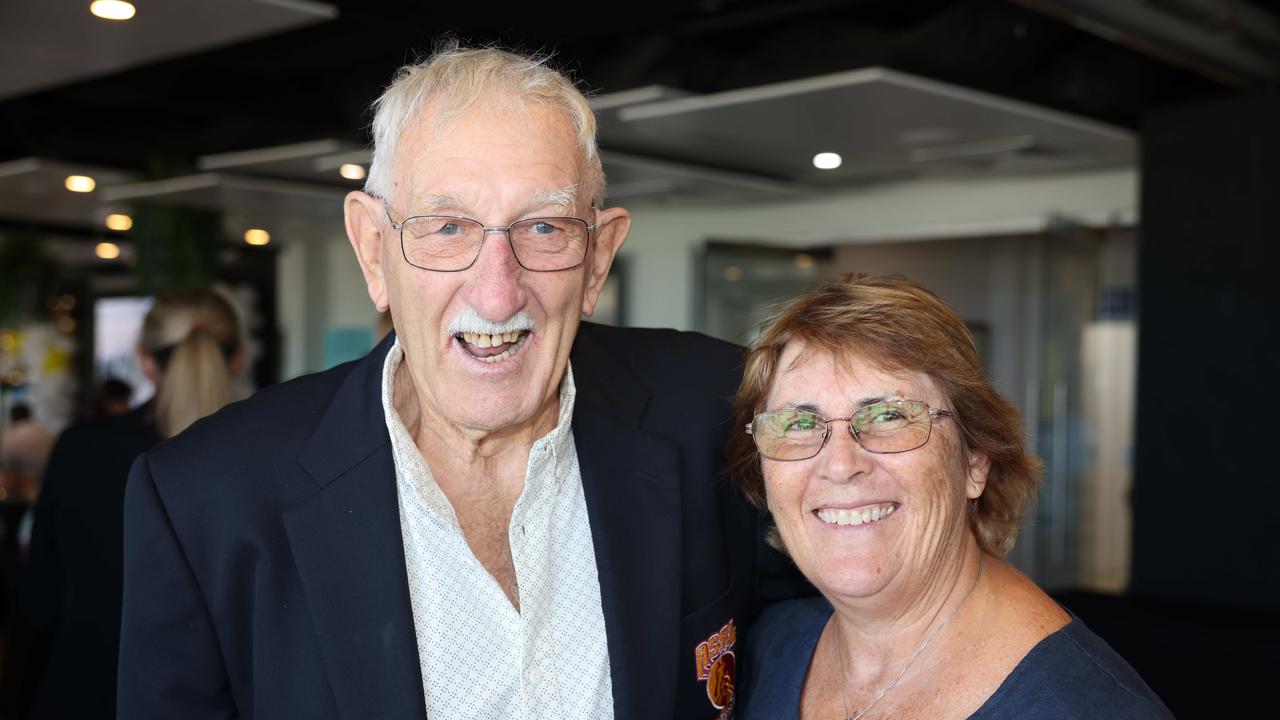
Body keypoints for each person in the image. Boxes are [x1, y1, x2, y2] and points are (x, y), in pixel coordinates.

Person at [118, 45, 798, 720]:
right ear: (371, 249)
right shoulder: (205, 501)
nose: (498, 292)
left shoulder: (715, 408)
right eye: (446, 227)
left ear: (597, 259)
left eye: (543, 227)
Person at [731, 274, 1172, 719]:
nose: (841, 465)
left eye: (889, 415)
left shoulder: (1092, 710)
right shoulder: (768, 647)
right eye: (798, 425)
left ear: (975, 463)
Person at [24, 288, 242, 720]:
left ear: (145, 359)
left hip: (83, 694)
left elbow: (40, 600)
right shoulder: (274, 457)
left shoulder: (80, 449)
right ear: (238, 357)